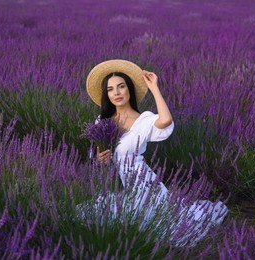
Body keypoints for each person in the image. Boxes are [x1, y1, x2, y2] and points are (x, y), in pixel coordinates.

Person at [81, 59, 228, 247]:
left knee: (159, 226)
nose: (116, 93)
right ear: (106, 94)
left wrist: (154, 88)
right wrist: (101, 160)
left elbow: (165, 121)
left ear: (129, 90)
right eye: (110, 89)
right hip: (122, 185)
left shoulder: (143, 120)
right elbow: (98, 157)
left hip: (143, 183)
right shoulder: (102, 122)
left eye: (121, 87)